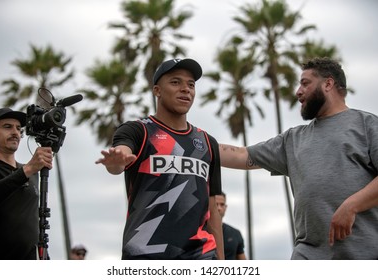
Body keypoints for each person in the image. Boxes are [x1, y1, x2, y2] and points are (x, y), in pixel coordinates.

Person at [219, 57, 378, 260]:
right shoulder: (292, 139)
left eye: (305, 83)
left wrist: (352, 205)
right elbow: (242, 155)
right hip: (307, 255)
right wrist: (193, 142)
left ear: (328, 84)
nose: (298, 92)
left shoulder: (366, 125)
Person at [96, 58, 224, 260]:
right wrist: (117, 162)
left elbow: (213, 208)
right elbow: (121, 154)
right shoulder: (139, 130)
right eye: (175, 82)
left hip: (201, 256)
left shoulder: (208, 142)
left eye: (191, 84)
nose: (185, 89)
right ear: (157, 91)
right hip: (146, 255)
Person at [0, 108, 53, 260]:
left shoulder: (31, 173)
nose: (15, 133)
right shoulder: (28, 170)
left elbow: (34, 222)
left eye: (19, 128)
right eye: (7, 127)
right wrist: (27, 169)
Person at [215, 192, 246, 260]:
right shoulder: (200, 232)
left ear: (225, 207)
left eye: (222, 204)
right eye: (215, 204)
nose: (219, 208)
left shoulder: (235, 233)